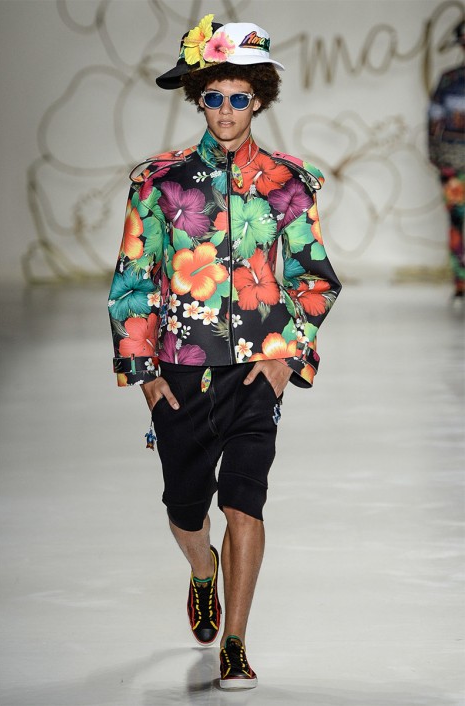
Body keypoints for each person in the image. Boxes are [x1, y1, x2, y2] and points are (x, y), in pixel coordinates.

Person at [108, 14, 342, 689]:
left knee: (246, 500)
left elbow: (314, 279)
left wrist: (287, 357)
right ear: (199, 99)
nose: (227, 110)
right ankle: (201, 567)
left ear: (259, 99)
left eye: (240, 97)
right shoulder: (161, 182)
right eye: (214, 97)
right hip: (180, 372)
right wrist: (145, 375)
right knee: (185, 510)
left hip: (256, 373)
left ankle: (235, 643)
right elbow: (133, 280)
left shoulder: (289, 182)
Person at [428, 19, 465, 302]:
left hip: (451, 158)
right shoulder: (449, 80)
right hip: (454, 160)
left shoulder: (449, 80)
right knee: (457, 220)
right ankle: (461, 279)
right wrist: (438, 157)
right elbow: (434, 121)